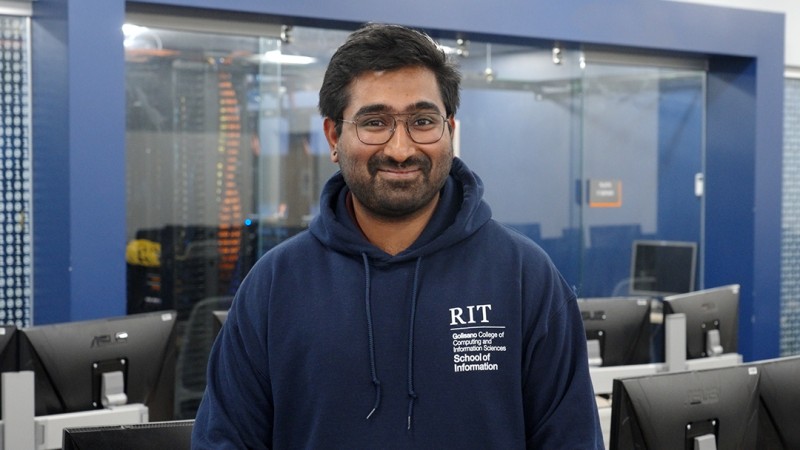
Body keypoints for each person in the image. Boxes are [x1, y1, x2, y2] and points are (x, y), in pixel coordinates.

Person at [192, 23, 603, 449]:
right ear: (334, 136)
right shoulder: (274, 286)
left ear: (449, 130)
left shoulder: (526, 278)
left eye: (422, 121)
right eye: (375, 122)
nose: (401, 148)